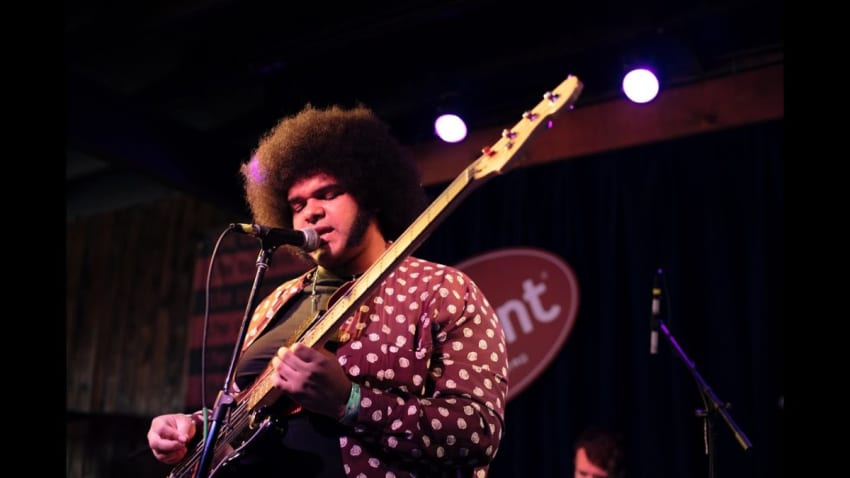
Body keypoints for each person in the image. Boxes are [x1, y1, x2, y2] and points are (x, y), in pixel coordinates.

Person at [147, 104, 510, 477]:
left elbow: (477, 433)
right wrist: (194, 428)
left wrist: (350, 401)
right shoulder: (275, 303)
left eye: (328, 193)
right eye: (297, 204)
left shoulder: (442, 289)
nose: (311, 212)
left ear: (370, 196)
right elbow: (246, 414)